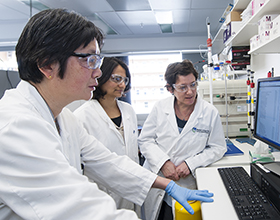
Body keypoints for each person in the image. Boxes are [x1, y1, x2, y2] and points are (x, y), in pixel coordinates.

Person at [0, 9, 214, 219]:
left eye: (97, 61)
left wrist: (167, 185)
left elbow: (109, 163)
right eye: (89, 60)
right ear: (47, 65)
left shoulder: (65, 119)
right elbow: (80, 210)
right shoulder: (15, 126)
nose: (99, 72)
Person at [138, 59, 227, 220]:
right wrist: (163, 163)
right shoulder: (160, 107)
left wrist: (190, 164)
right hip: (159, 179)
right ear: (170, 89)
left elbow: (218, 147)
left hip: (187, 183)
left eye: (193, 85)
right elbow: (145, 140)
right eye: (183, 87)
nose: (190, 92)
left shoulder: (209, 112)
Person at [74, 57, 141, 216]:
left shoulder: (128, 111)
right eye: (117, 79)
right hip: (102, 193)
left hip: (132, 188)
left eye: (125, 80)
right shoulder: (82, 116)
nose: (122, 85)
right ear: (101, 77)